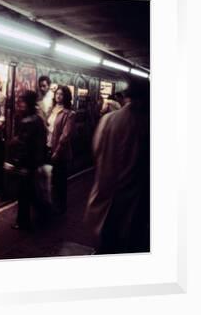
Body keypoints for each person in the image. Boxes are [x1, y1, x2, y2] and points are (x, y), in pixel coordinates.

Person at [84, 78, 150, 254]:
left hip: (106, 193)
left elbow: (96, 151)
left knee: (106, 241)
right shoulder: (148, 125)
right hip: (135, 201)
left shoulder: (108, 120)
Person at [7, 90, 47, 230]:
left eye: (22, 102)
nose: (20, 105)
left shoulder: (27, 121)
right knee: (31, 192)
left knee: (24, 194)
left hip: (26, 164)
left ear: (29, 103)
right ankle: (42, 215)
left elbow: (24, 146)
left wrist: (16, 163)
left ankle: (23, 222)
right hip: (34, 163)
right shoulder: (38, 119)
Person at [46, 85, 76, 214]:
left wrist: (57, 152)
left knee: (60, 181)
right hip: (47, 147)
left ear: (66, 97)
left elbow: (65, 135)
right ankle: (51, 204)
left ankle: (61, 207)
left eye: (62, 94)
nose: (58, 96)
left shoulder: (69, 114)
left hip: (60, 152)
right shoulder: (51, 110)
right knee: (50, 179)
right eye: (57, 93)